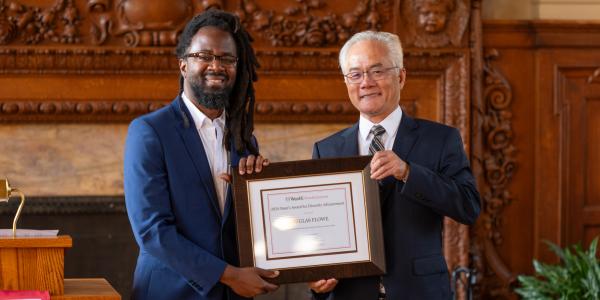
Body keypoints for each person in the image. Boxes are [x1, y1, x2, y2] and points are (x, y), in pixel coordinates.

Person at [310, 31, 481, 299]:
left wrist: (408, 172)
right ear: (347, 82)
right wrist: (316, 275)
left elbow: (469, 207)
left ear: (400, 76)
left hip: (420, 292)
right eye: (355, 74)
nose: (365, 82)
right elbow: (319, 229)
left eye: (377, 71)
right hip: (350, 293)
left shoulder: (441, 139)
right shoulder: (326, 149)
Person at [124, 9, 279, 300]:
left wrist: (259, 191)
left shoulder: (244, 140)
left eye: (226, 58)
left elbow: (249, 231)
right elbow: (152, 232)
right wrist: (230, 276)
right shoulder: (149, 132)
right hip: (169, 293)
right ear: (183, 65)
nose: (216, 66)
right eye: (204, 56)